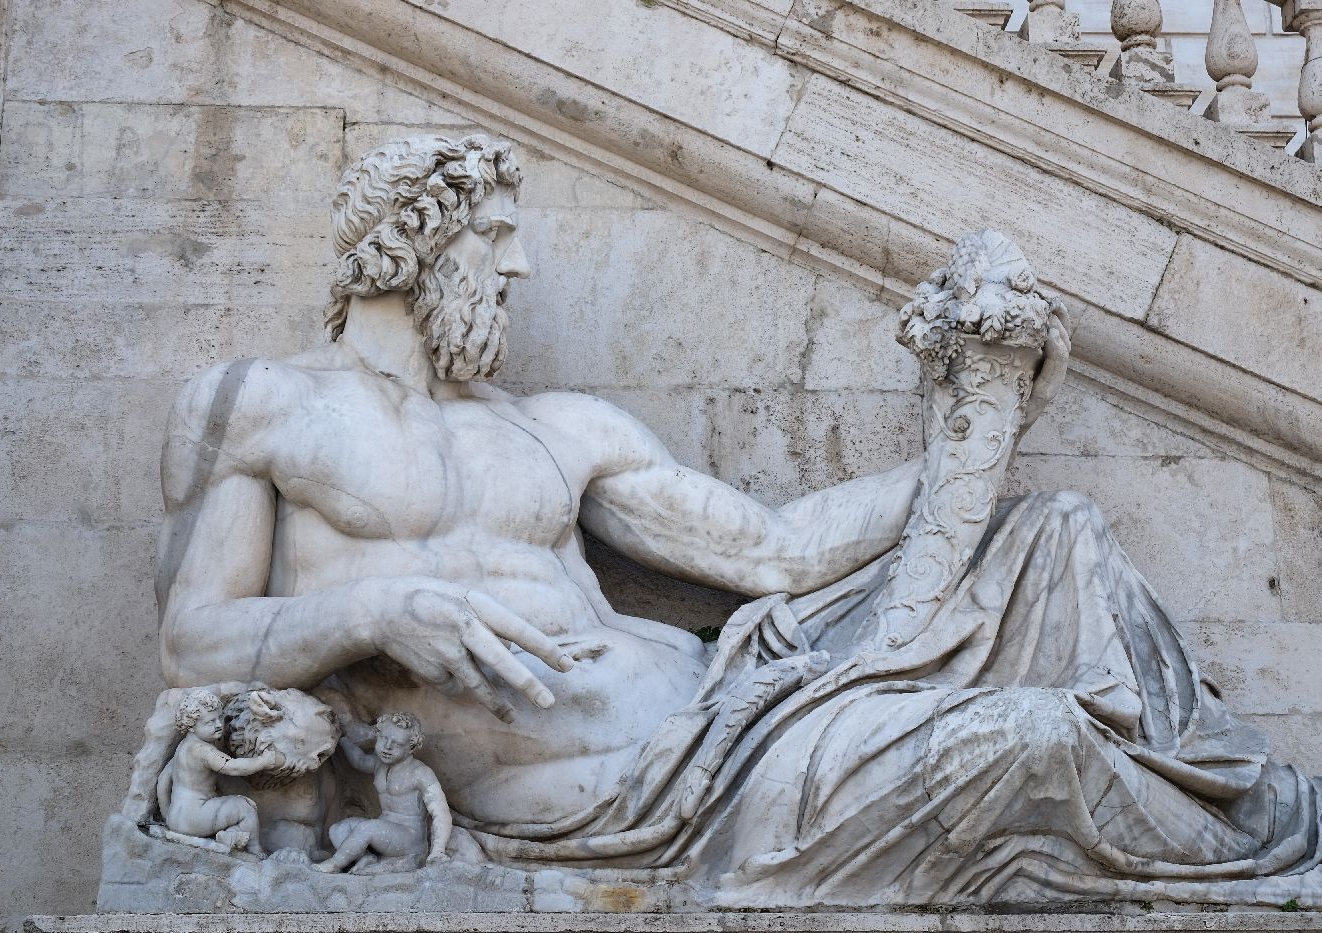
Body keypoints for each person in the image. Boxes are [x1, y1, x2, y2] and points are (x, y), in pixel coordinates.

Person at [150, 134, 1322, 906]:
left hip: (734, 709)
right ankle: (1265, 860)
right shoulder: (262, 407)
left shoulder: (558, 427)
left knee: (1050, 529)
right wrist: (374, 609)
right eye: (497, 237)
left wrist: (977, 423)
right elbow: (192, 639)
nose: (519, 267)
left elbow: (776, 550)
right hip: (622, 794)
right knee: (1033, 741)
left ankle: (1250, 818)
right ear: (418, 238)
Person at [313, 712, 450, 872]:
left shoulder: (420, 773)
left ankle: (335, 864)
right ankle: (366, 858)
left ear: (411, 747)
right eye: (384, 738)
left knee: (368, 828)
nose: (387, 746)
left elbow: (441, 813)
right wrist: (340, 738)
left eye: (397, 744)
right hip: (385, 829)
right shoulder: (380, 764)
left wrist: (437, 851)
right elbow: (359, 760)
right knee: (337, 830)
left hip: (409, 838)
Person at [157, 690, 280, 855]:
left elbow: (163, 782)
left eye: (219, 718)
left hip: (176, 818)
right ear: (192, 726)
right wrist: (263, 761)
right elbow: (233, 767)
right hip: (195, 816)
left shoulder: (182, 749)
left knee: (233, 803)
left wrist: (168, 816)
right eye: (209, 722)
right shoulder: (203, 751)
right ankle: (255, 851)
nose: (218, 725)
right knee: (245, 808)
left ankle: (229, 836)